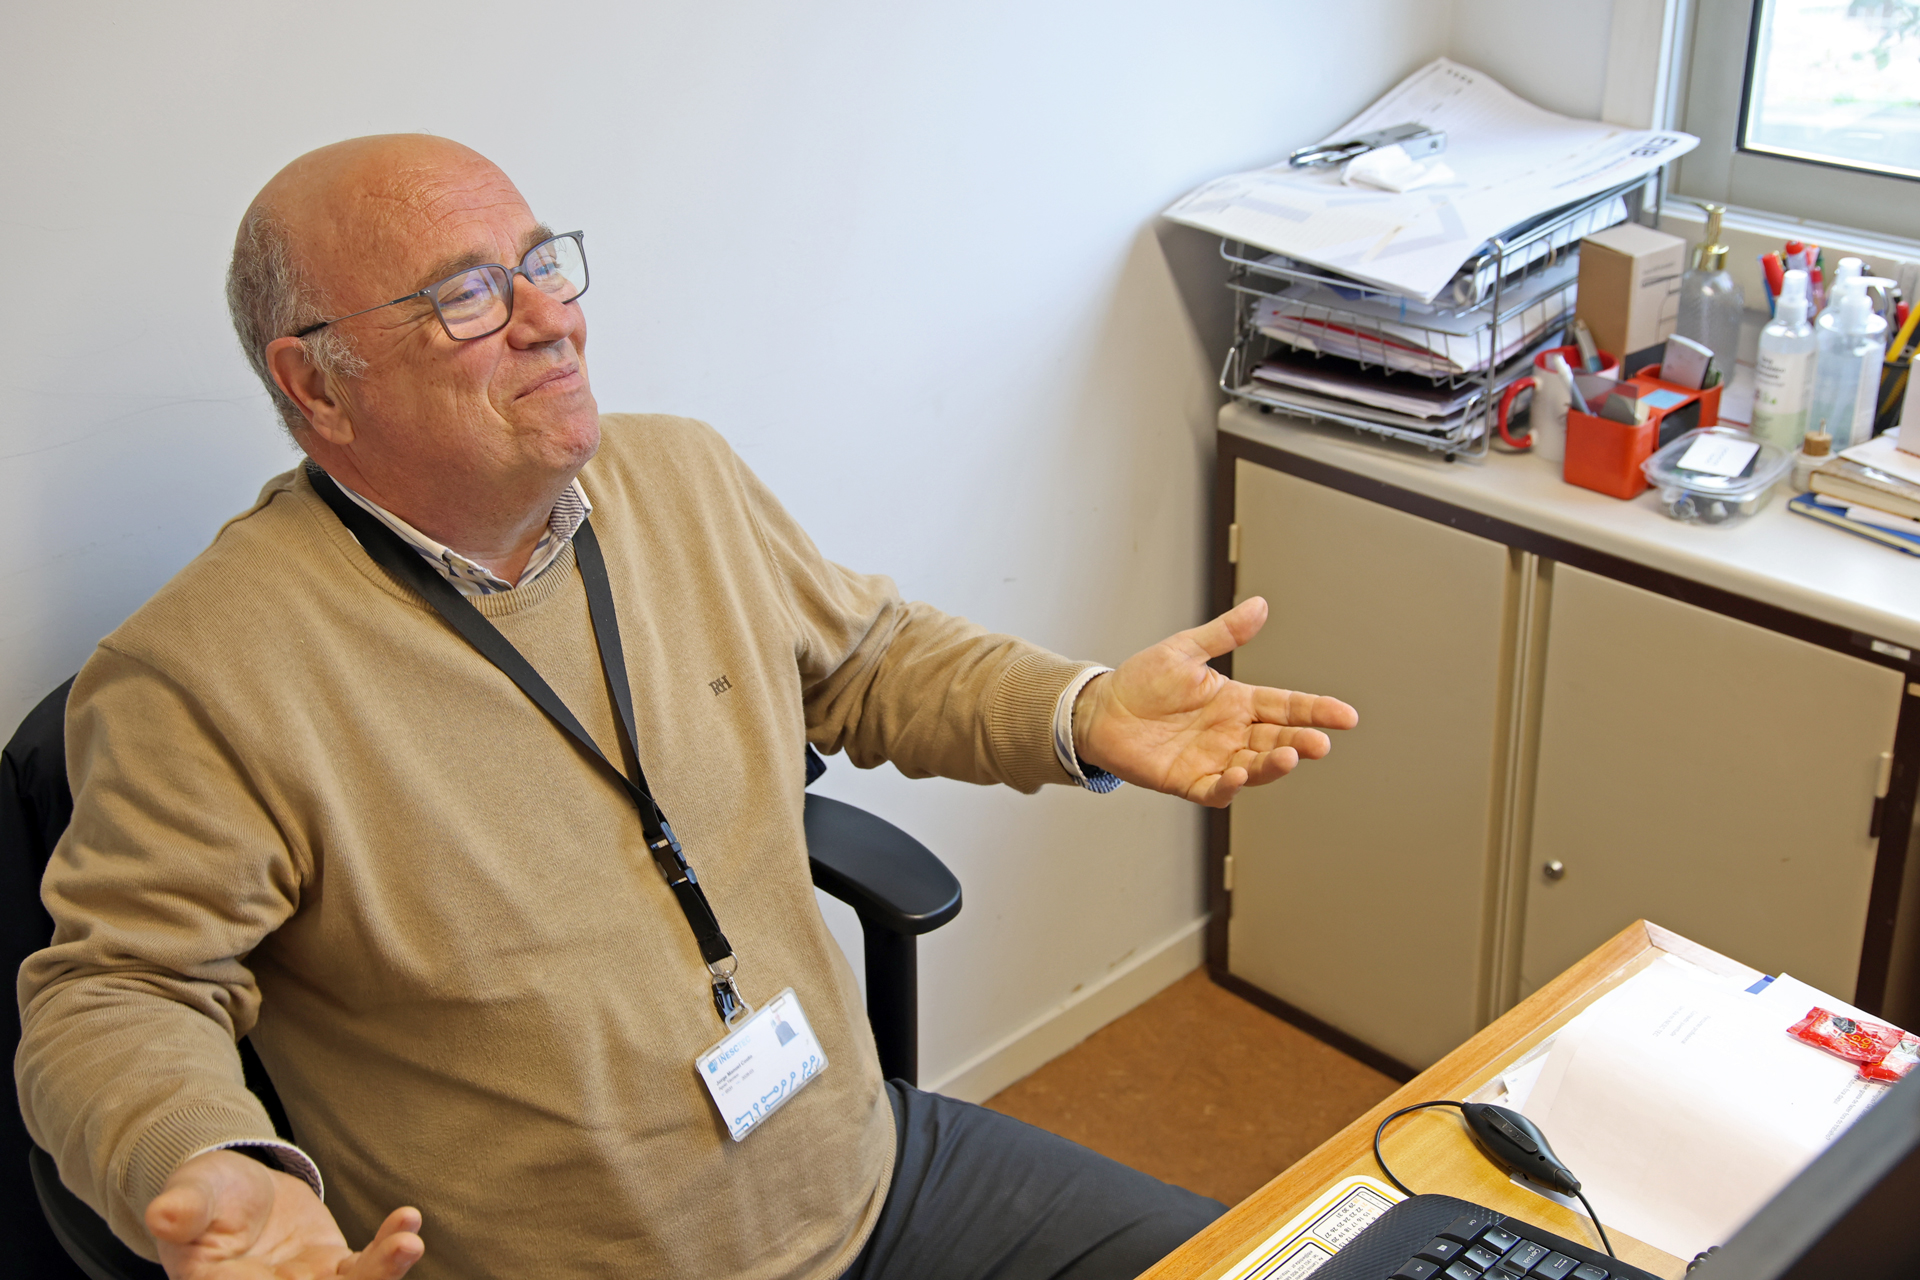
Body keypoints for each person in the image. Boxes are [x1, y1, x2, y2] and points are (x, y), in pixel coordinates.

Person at [15, 135, 1357, 1280]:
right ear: (317, 382)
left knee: (1295, 1258)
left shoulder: (680, 478)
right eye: (467, 297)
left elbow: (868, 658)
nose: (550, 317)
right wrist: (208, 1160)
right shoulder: (205, 671)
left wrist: (1080, 708)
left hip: (868, 1177)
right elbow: (116, 990)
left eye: (542, 262)